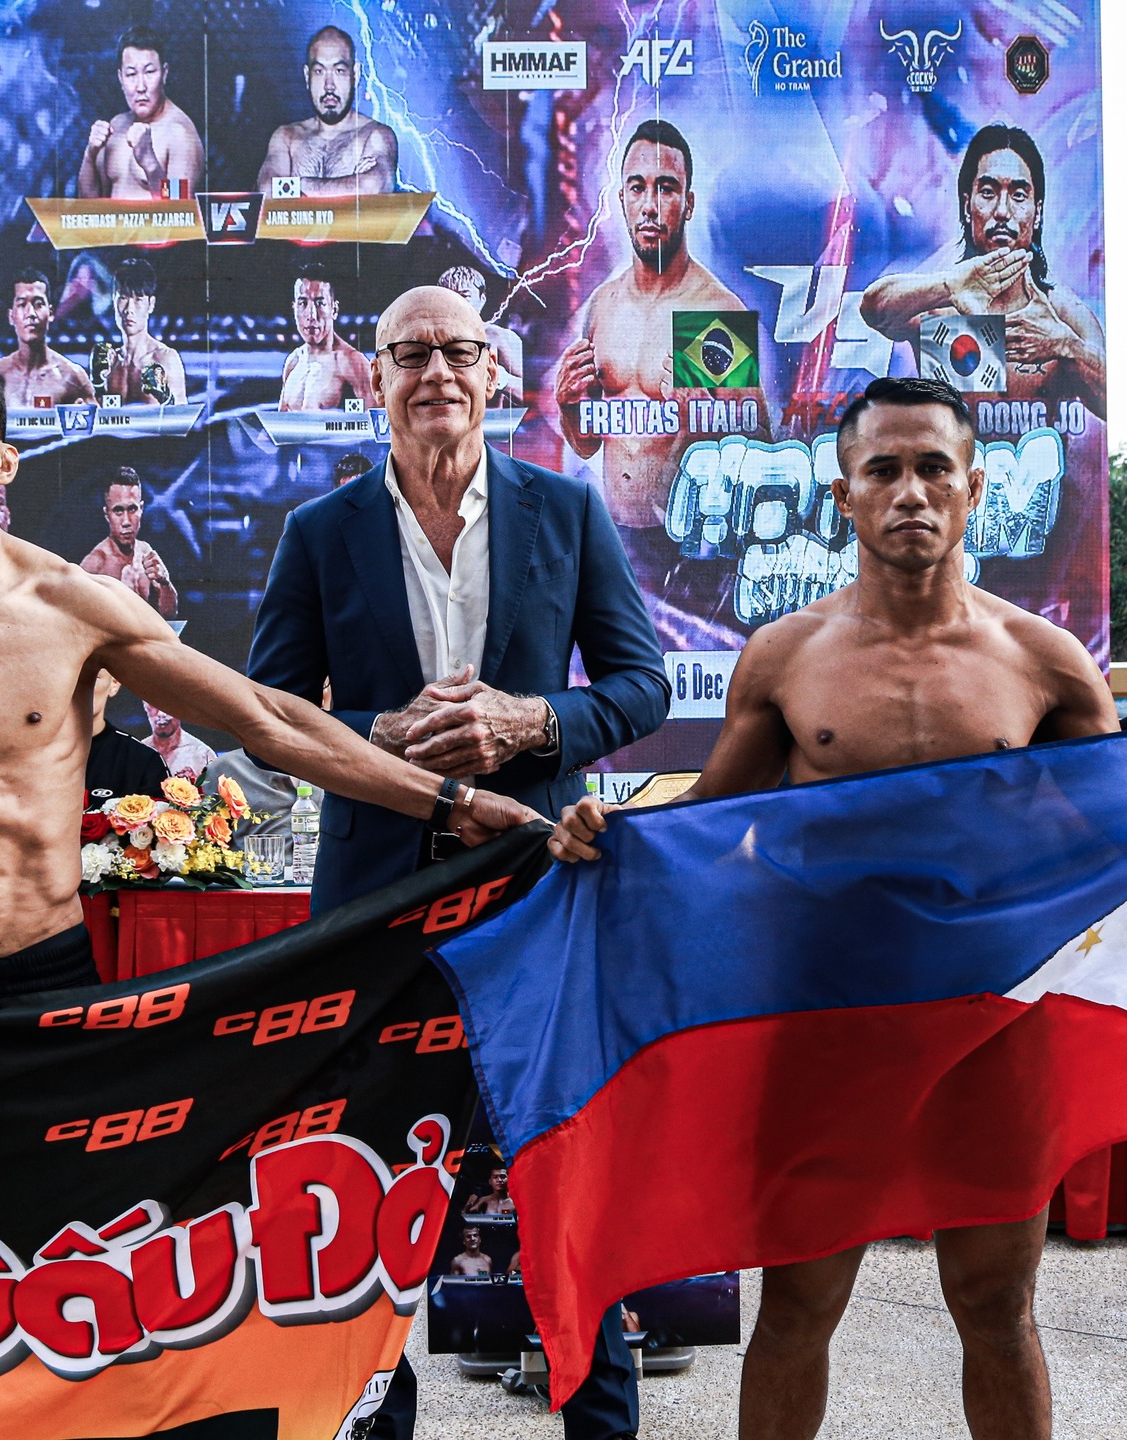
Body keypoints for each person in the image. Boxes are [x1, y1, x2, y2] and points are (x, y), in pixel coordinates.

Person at [549, 376, 1119, 1440]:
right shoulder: (787, 656)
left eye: (935, 468)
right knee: (800, 1304)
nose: (911, 493)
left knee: (995, 1306)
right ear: (843, 493)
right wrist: (608, 831)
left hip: (994, 1025)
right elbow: (712, 823)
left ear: (976, 488)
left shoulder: (1044, 662)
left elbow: (1107, 840)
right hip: (830, 1019)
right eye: (884, 470)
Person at [0, 344, 532, 1001]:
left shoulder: (73, 606)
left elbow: (267, 720)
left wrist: (451, 803)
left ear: (3, 462)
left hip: (35, 975)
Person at [249, 284, 670, 1440]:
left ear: (493, 374)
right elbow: (271, 714)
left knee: (568, 1180)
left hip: (537, 894)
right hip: (377, 908)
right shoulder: (319, 533)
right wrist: (382, 735)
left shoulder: (565, 510)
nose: (435, 371)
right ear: (374, 379)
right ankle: (371, 1423)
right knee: (369, 1191)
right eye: (409, 354)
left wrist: (531, 722)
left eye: (456, 351)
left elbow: (640, 686)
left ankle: (602, 1426)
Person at [555, 120, 758, 532]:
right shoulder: (604, 305)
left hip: (689, 545)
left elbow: (760, 448)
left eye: (665, 188)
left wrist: (700, 424)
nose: (649, 205)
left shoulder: (711, 311)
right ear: (622, 200)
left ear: (688, 203)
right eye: (637, 188)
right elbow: (587, 444)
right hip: (616, 536)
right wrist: (568, 407)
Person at [861, 125, 1105, 419]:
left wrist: (1066, 346)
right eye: (988, 193)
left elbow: (1114, 404)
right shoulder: (937, 306)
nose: (1002, 211)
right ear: (967, 206)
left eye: (1018, 195)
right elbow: (873, 310)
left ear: (1037, 212)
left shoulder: (1063, 315)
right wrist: (948, 287)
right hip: (952, 450)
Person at [256, 25, 398, 197]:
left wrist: (294, 184)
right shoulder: (286, 137)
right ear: (307, 76)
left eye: (339, 71)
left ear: (355, 75)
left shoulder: (375, 135)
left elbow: (372, 188)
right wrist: (352, 184)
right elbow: (267, 190)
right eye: (319, 71)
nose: (329, 85)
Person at [77, 27, 204, 200]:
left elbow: (180, 210)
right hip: (111, 220)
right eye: (131, 74)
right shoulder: (116, 126)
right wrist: (90, 154)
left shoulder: (179, 134)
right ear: (121, 78)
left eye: (149, 72)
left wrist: (150, 164)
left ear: (164, 73)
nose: (141, 86)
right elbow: (88, 203)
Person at [81, 467, 177, 620]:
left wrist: (165, 583)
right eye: (118, 511)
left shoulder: (146, 551)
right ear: (107, 514)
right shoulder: (95, 564)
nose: (126, 521)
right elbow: (76, 621)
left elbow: (169, 615)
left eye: (132, 509)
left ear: (141, 509)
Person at [0, 268, 94, 408]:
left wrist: (83, 416)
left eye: (38, 304)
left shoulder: (72, 376)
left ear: (51, 313)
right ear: (11, 316)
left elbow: (102, 421)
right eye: (22, 305)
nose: (31, 313)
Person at [279, 272, 374, 412]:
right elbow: (279, 421)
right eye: (303, 303)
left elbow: (379, 420)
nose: (311, 315)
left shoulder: (351, 362)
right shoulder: (293, 361)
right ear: (294, 309)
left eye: (319, 303)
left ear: (334, 310)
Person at [97, 258, 186, 407]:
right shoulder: (109, 363)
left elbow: (183, 417)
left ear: (151, 305)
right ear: (114, 301)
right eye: (123, 298)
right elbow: (97, 417)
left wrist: (166, 398)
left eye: (138, 299)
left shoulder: (165, 358)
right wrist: (98, 385)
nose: (129, 309)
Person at [438, 265, 524, 406]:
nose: (456, 303)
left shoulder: (498, 336)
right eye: (449, 297)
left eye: (464, 296)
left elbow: (530, 394)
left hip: (489, 418)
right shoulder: (431, 340)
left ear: (482, 299)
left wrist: (500, 377)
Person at [84, 669, 168, 803]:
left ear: (114, 684)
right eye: (68, 676)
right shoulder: (44, 754)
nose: (77, 687)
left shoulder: (143, 761)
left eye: (91, 676)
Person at [142, 701, 214, 782]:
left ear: (180, 709)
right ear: (145, 706)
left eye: (169, 705)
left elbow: (215, 787)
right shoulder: (137, 753)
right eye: (154, 705)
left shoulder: (202, 754)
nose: (161, 714)